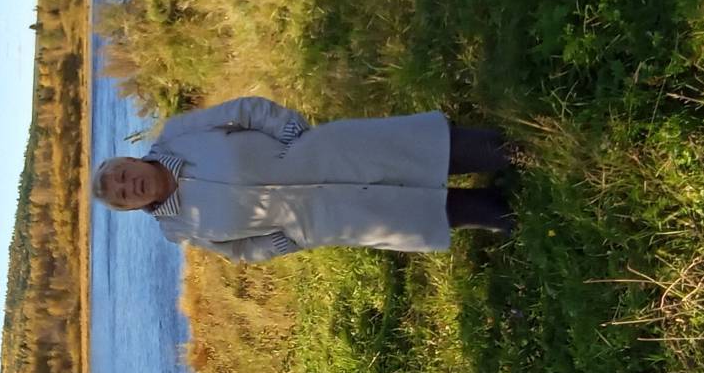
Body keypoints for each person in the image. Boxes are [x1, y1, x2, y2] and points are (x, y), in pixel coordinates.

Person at [91, 95, 519, 264]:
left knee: (421, 149)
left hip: (323, 151)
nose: (131, 186)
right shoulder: (177, 228)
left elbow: (242, 111)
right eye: (124, 196)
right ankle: (508, 212)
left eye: (123, 176)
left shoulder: (177, 134)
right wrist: (286, 240)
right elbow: (238, 250)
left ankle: (518, 152)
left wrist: (290, 133)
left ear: (130, 160)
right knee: (413, 214)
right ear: (131, 208)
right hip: (322, 217)